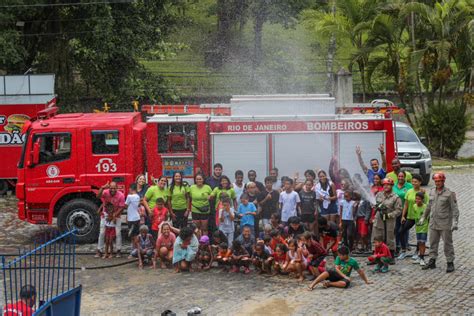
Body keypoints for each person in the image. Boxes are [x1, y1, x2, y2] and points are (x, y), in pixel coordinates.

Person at [419, 173, 459, 273]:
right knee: (433, 242)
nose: (437, 183)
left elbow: (455, 209)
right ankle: (432, 261)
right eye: (436, 181)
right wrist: (424, 217)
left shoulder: (449, 193)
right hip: (433, 222)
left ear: (443, 181)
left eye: (439, 181)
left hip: (445, 223)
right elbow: (429, 206)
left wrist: (455, 222)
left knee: (447, 244)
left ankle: (450, 262)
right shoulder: (432, 191)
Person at [400, 174, 428, 261]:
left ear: (420, 182)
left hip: (420, 219)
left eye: (416, 182)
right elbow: (406, 204)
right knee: (401, 232)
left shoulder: (423, 193)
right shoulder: (409, 191)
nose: (413, 183)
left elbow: (427, 206)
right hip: (410, 217)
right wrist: (403, 216)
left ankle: (417, 252)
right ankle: (403, 250)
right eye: (412, 181)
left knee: (419, 236)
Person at [374, 178, 402, 257]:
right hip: (379, 219)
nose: (386, 186)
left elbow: (398, 210)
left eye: (388, 185)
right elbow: (373, 204)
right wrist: (376, 207)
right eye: (384, 185)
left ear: (392, 186)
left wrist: (389, 215)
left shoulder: (396, 197)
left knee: (390, 236)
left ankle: (390, 255)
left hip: (390, 220)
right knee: (377, 236)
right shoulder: (379, 194)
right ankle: (376, 256)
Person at [96, 181, 125, 258]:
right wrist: (102, 188)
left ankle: (118, 250)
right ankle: (99, 250)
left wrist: (114, 215)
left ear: (117, 188)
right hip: (105, 214)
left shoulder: (121, 195)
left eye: (114, 188)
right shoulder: (105, 192)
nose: (112, 190)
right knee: (102, 232)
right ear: (109, 188)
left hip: (116, 214)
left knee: (118, 233)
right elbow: (98, 196)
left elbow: (122, 207)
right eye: (111, 188)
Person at [392, 171, 414, 258]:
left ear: (405, 177)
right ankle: (397, 245)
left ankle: (405, 244)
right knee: (396, 228)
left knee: (404, 228)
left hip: (406, 210)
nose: (400, 178)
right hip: (396, 210)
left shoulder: (409, 186)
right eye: (399, 176)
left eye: (402, 176)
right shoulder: (394, 185)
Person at [206, 163, 223, 238]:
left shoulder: (223, 180)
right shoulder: (208, 180)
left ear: (222, 171)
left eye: (219, 170)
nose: (218, 171)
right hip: (211, 207)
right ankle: (211, 242)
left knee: (220, 224)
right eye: (216, 170)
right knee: (211, 225)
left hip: (221, 206)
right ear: (214, 170)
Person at [413, 192, 429, 266]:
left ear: (422, 200)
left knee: (423, 243)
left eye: (419, 199)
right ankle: (419, 257)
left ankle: (422, 258)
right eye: (416, 198)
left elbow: (428, 217)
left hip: (424, 228)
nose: (417, 200)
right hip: (418, 228)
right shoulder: (414, 206)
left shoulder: (426, 207)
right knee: (419, 242)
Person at [125, 183, 141, 247]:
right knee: (136, 234)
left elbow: (125, 205)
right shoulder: (138, 196)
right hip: (137, 217)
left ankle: (136, 249)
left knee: (132, 235)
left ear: (131, 189)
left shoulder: (129, 196)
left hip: (131, 219)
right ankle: (136, 249)